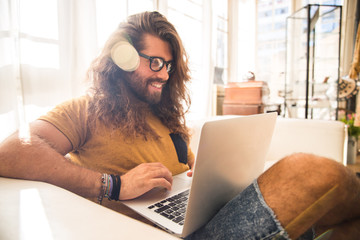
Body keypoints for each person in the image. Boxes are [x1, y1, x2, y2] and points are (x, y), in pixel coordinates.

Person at [0, 11, 359, 240]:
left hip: (199, 218)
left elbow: (188, 173)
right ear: (121, 58)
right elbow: (11, 151)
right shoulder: (85, 111)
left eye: (169, 66)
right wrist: (115, 185)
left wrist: (211, 179)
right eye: (155, 62)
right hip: (167, 233)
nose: (164, 75)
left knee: (347, 219)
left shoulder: (169, 120)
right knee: (308, 170)